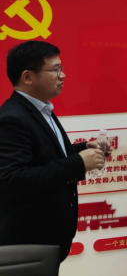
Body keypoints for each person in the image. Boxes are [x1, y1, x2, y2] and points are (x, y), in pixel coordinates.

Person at [0, 41, 107, 261]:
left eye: (62, 68)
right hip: (29, 238)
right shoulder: (12, 118)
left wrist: (81, 149)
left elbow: (43, 155)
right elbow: (12, 179)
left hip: (49, 233)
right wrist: (78, 163)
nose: (63, 75)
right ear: (28, 77)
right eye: (55, 69)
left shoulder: (41, 108)